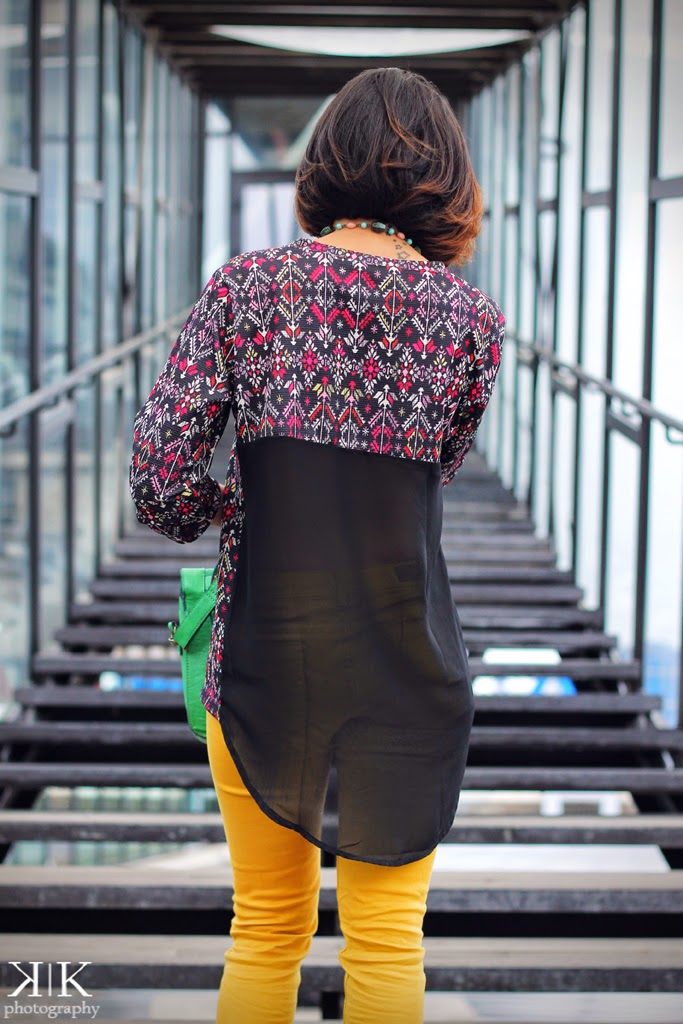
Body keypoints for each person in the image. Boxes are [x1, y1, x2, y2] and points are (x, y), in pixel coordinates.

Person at [129, 66, 505, 1024]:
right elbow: (433, 472)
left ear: (324, 161)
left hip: (265, 660)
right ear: (445, 176)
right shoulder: (469, 321)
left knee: (264, 930)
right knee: (387, 943)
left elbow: (159, 482)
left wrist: (239, 500)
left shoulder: (248, 288)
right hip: (406, 664)